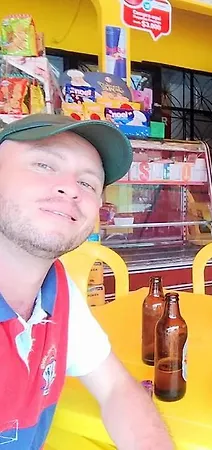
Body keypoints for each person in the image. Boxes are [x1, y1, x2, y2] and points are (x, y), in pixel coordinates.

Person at [0, 114, 174, 449]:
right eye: (44, 165)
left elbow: (115, 388)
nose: (70, 188)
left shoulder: (56, 290)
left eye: (88, 183)